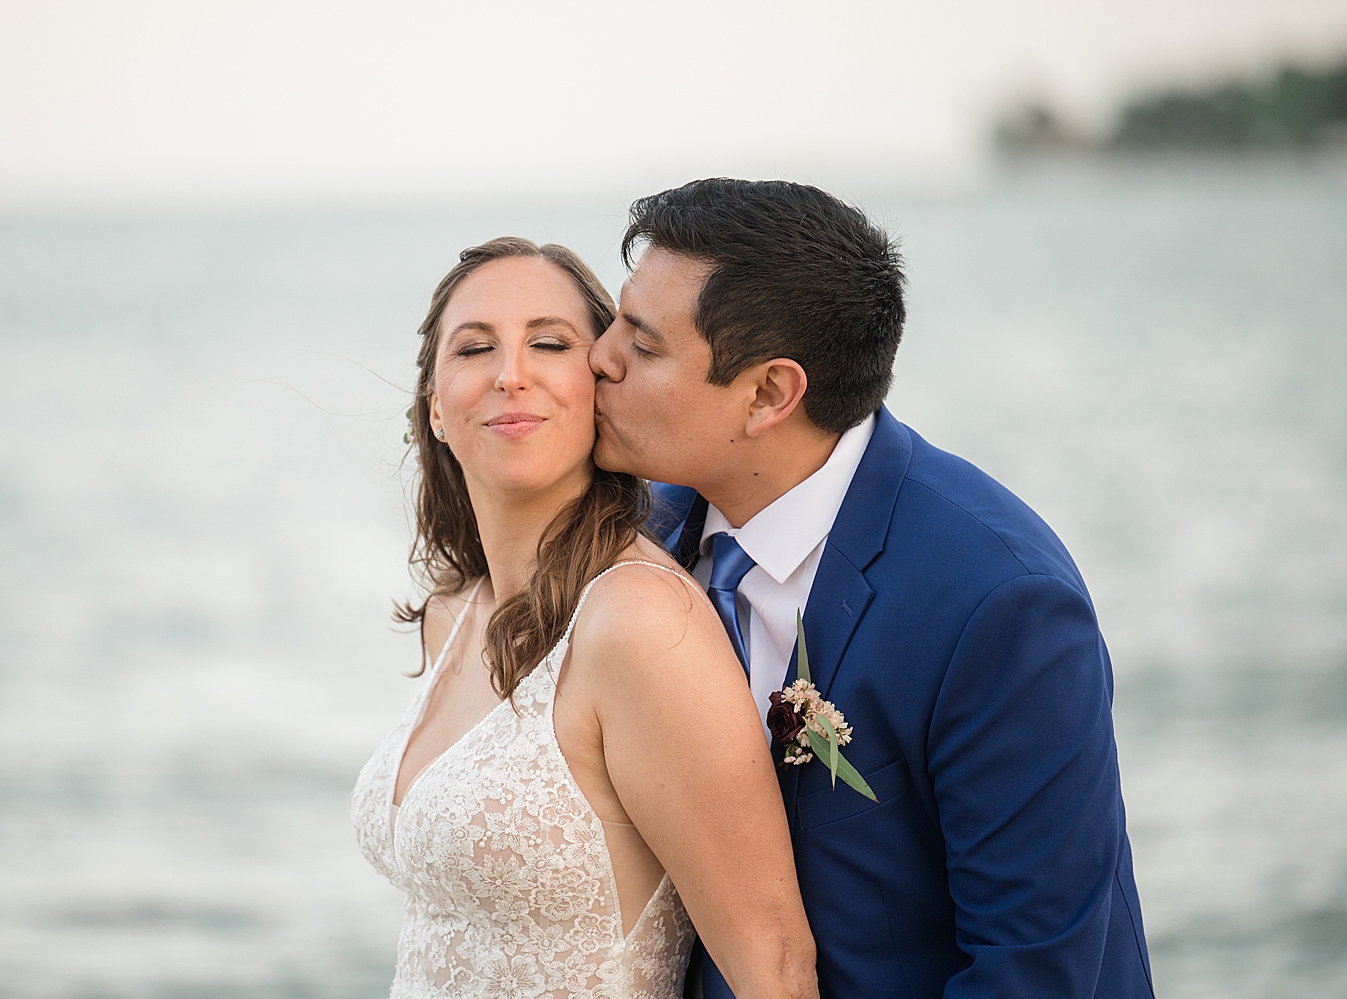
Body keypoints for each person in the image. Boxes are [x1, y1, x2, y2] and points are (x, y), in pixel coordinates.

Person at [589, 179, 1155, 999]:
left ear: (769, 394)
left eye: (641, 346)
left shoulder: (998, 602)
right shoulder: (640, 537)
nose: (598, 356)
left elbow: (1031, 970)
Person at [350, 237, 819, 999]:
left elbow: (776, 968)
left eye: (548, 342)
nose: (511, 374)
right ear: (435, 405)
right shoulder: (453, 610)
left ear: (600, 381)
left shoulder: (639, 621)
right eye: (474, 349)